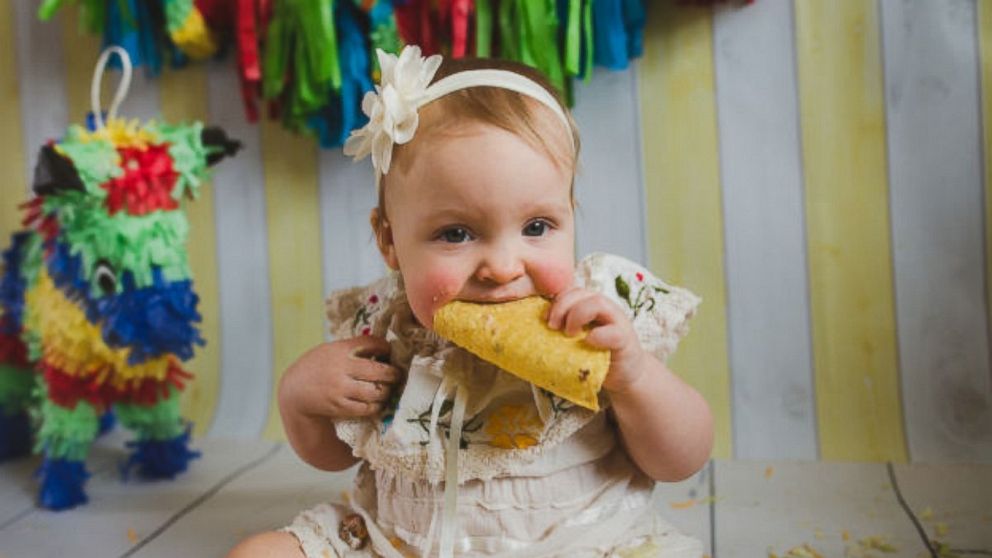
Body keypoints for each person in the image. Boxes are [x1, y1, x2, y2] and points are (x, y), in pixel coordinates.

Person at [229, 45, 713, 558]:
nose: (503, 267)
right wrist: (300, 400)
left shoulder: (593, 323)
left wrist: (634, 376)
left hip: (579, 543)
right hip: (396, 542)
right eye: (456, 233)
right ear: (390, 240)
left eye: (536, 227)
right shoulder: (385, 331)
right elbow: (335, 457)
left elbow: (680, 460)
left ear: (570, 214)